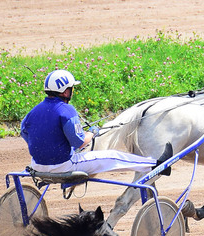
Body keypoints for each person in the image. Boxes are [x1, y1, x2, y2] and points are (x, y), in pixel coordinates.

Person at [21, 69, 171, 176]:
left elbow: (24, 132)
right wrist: (92, 133)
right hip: (63, 166)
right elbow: (79, 142)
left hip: (37, 165)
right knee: (112, 157)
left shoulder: (33, 111)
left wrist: (46, 146)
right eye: (71, 88)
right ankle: (156, 165)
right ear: (65, 92)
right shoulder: (67, 110)